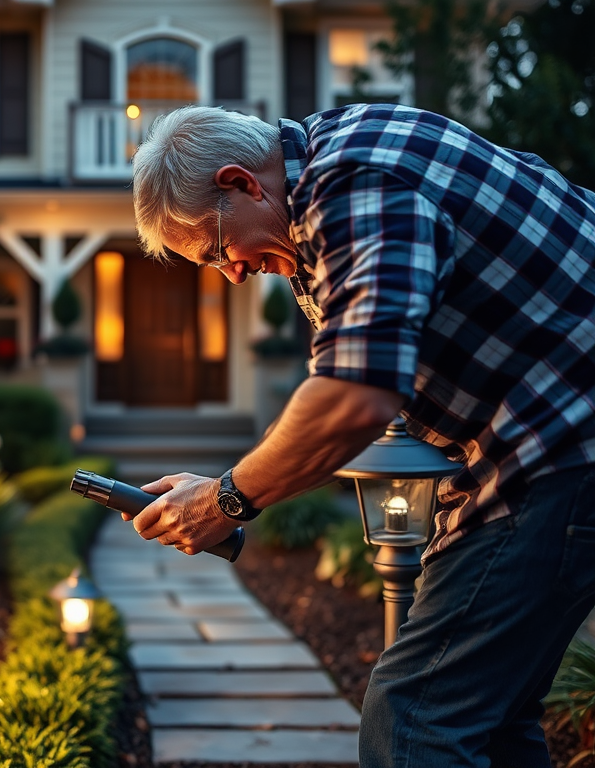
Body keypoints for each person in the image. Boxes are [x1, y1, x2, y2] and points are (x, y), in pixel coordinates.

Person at [128, 102, 595, 767]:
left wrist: (223, 500)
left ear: (240, 183)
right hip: (532, 448)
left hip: (563, 443)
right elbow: (366, 393)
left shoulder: (355, 183)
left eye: (216, 249)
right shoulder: (332, 181)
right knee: (487, 722)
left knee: (415, 719)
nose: (231, 274)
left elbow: (356, 396)